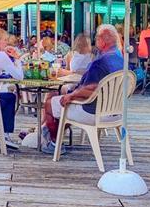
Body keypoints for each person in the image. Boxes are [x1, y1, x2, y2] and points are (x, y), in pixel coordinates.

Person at [40, 24, 124, 155]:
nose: (96, 41)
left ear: (102, 40)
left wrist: (71, 96)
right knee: (59, 98)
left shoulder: (100, 63)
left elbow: (91, 89)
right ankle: (49, 130)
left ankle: (55, 143)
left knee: (50, 103)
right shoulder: (120, 59)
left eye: (97, 38)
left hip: (92, 111)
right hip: (114, 112)